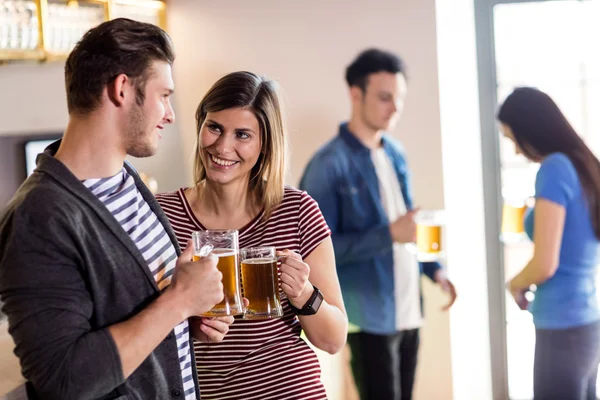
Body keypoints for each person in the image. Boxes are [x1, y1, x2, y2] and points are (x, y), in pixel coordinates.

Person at [0, 18, 234, 400]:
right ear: (123, 89)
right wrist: (177, 304)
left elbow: (130, 317)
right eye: (164, 95)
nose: (171, 114)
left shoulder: (127, 180)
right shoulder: (38, 217)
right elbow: (64, 382)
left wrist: (184, 318)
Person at [156, 70, 348, 400]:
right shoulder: (162, 215)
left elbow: (333, 340)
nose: (223, 146)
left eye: (242, 135)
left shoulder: (296, 210)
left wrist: (303, 293)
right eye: (214, 127)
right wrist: (187, 322)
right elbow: (142, 326)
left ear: (264, 145)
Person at [298, 48, 457, 400]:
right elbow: (316, 253)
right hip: (366, 315)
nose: (395, 108)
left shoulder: (395, 152)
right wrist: (388, 236)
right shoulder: (328, 164)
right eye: (385, 98)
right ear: (356, 94)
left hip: (408, 308)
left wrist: (435, 270)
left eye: (398, 98)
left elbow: (408, 227)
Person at [499, 87, 600, 400]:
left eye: (513, 138)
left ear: (531, 130)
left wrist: (514, 283)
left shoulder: (554, 169)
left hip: (562, 325)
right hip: (586, 321)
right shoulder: (583, 165)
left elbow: (545, 263)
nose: (516, 150)